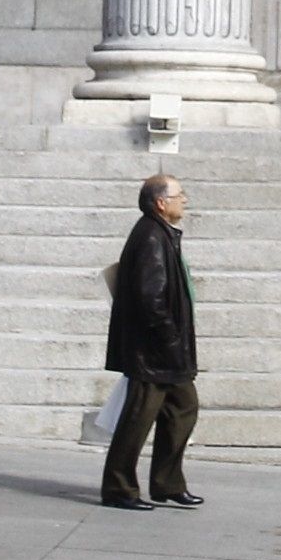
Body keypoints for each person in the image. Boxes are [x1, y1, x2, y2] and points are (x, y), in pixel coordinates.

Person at [99, 173, 201, 512]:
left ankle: (167, 483)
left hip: (167, 353)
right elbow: (150, 299)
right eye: (179, 194)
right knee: (137, 420)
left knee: (183, 409)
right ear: (161, 202)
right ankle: (119, 488)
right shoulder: (151, 238)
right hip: (153, 353)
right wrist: (171, 340)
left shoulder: (162, 234)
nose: (184, 199)